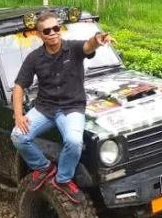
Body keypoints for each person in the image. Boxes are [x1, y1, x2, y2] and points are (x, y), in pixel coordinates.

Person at [11, 11, 114, 203]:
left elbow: (88, 46)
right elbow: (18, 86)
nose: (52, 33)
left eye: (55, 28)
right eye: (47, 30)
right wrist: (18, 115)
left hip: (72, 108)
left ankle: (63, 179)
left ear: (60, 30)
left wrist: (97, 40)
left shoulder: (73, 48)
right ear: (40, 35)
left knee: (74, 142)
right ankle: (43, 168)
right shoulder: (34, 58)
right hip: (45, 108)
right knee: (18, 136)